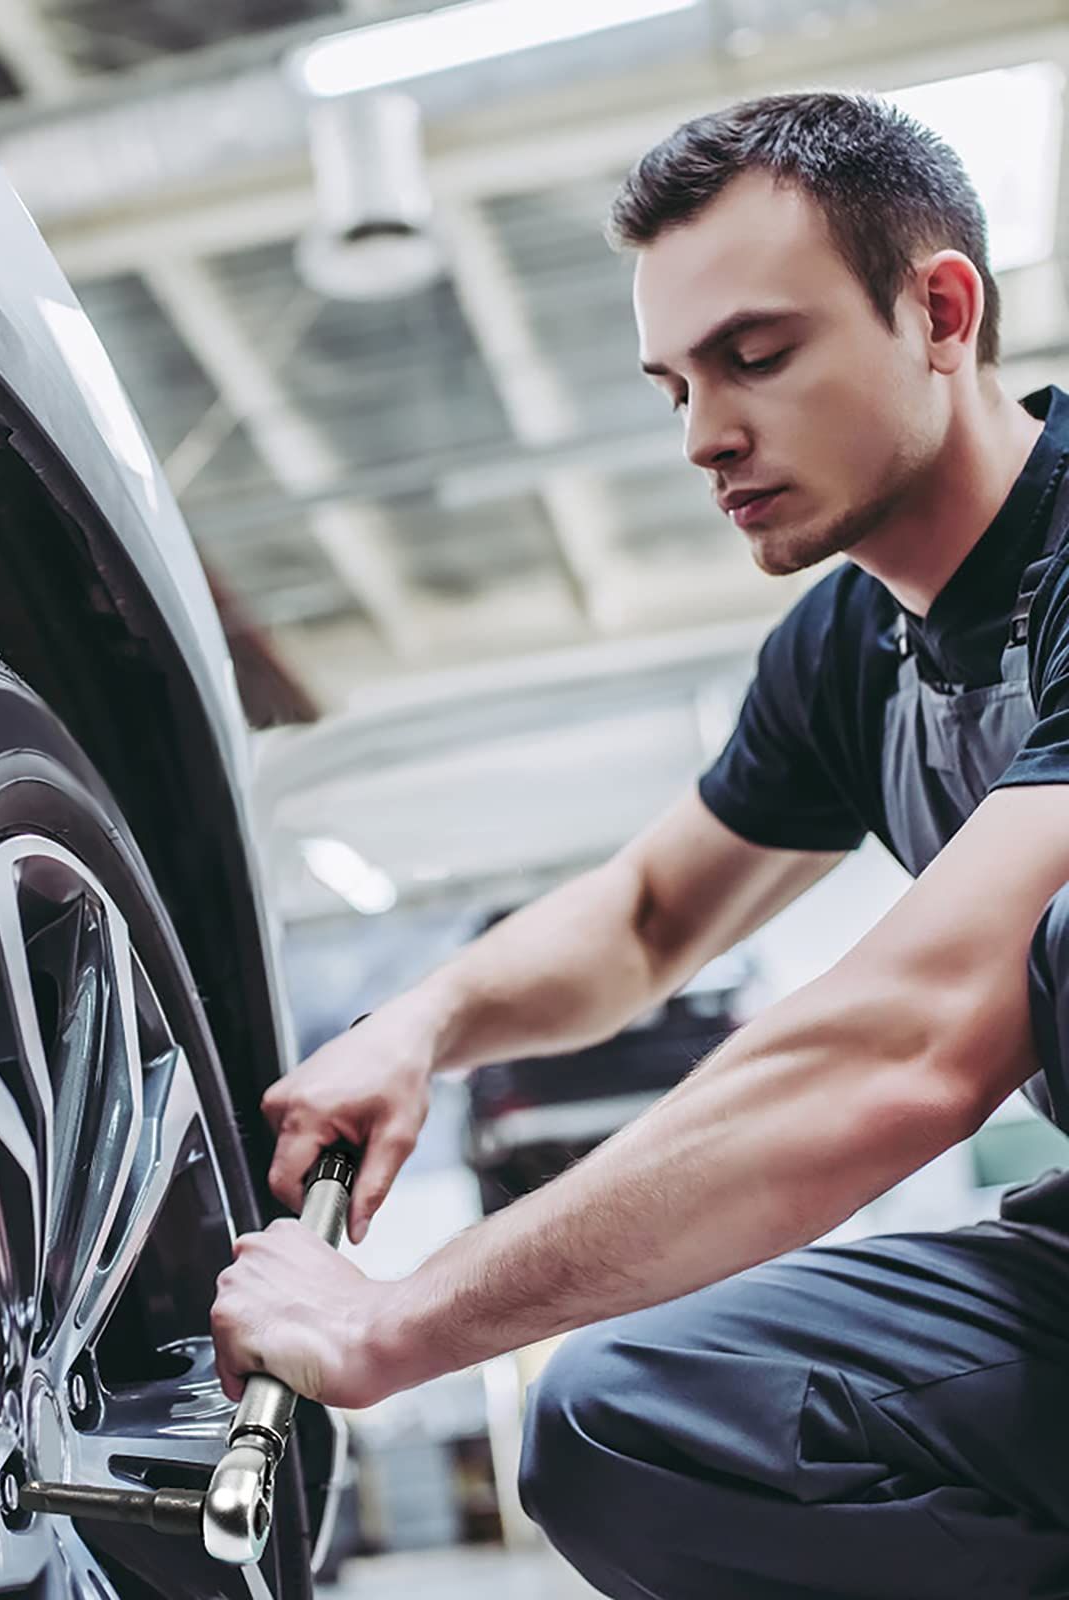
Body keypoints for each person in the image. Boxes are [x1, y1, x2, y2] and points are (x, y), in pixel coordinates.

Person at [209, 91, 1069, 1597]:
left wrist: (391, 1319)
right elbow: (646, 920)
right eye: (674, 382)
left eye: (756, 357)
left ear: (939, 312)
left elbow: (906, 1046)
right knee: (627, 1419)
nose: (703, 434)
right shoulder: (852, 652)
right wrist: (420, 1023)